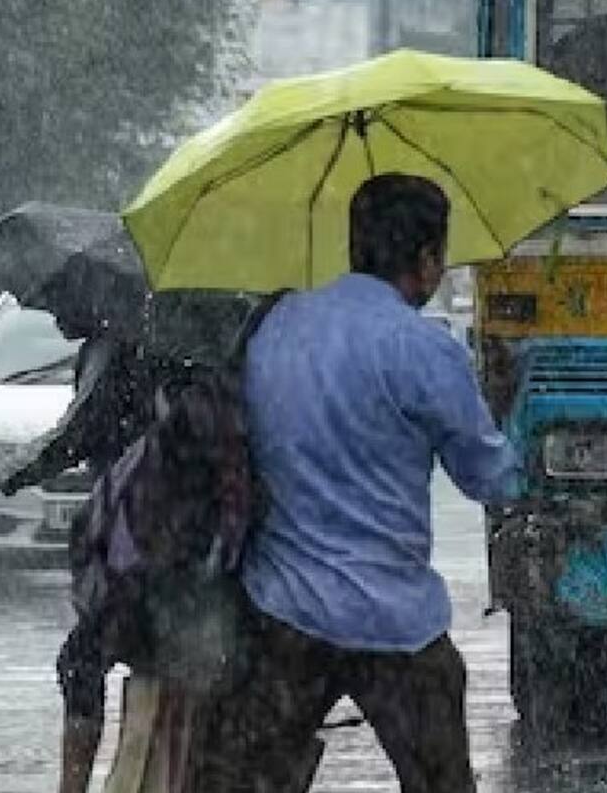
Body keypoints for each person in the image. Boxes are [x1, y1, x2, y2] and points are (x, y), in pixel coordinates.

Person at [198, 173, 523, 793]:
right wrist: (506, 407)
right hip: (396, 623)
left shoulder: (275, 328)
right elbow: (492, 479)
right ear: (427, 260)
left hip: (284, 615)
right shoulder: (422, 348)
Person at [0, 301, 156, 793]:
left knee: (82, 661)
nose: (53, 313)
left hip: (140, 538)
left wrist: (18, 472)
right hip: (188, 537)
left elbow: (79, 432)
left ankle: (74, 787)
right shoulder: (176, 345)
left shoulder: (114, 350)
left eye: (62, 302)